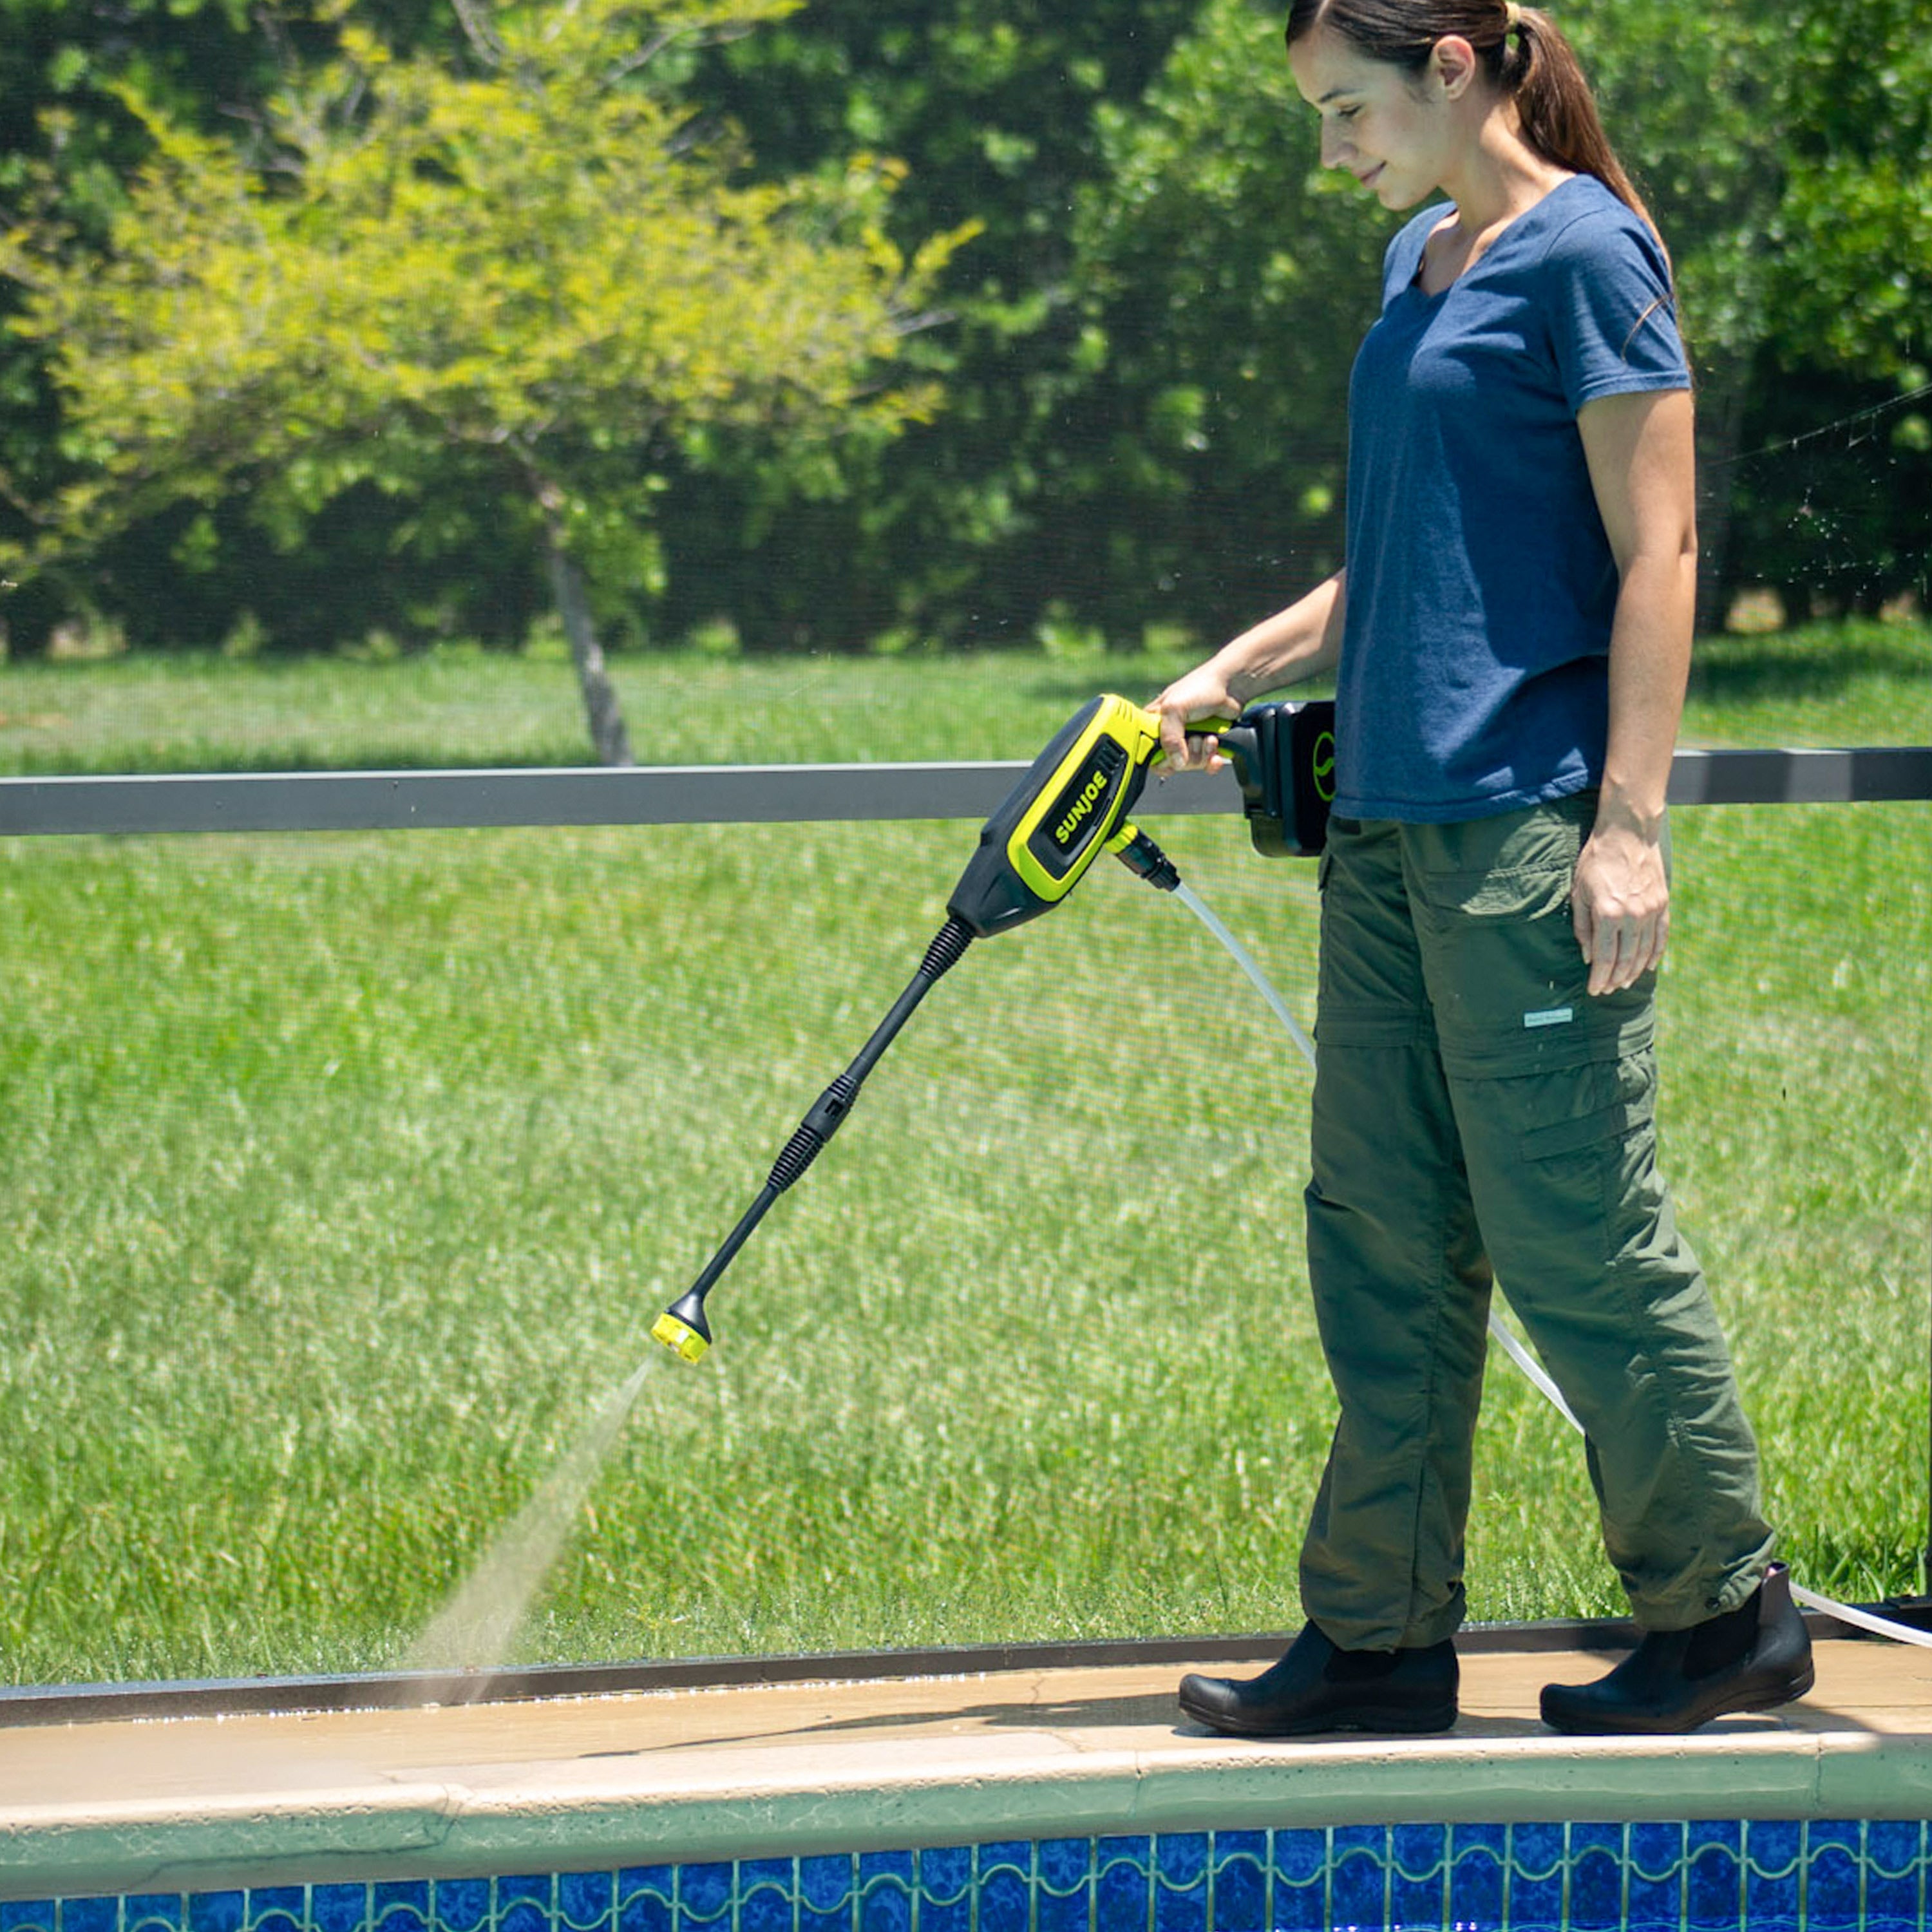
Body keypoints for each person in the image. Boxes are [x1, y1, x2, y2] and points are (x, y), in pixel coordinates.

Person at [1151, 0, 1813, 1736]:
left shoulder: (1592, 256)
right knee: (1379, 1234)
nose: (1334, 149)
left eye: (1349, 108)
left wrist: (1628, 825)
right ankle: (1377, 1640)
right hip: (1383, 823)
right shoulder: (1412, 267)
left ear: (1457, 68)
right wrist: (1242, 666)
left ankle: (1723, 1607)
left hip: (1527, 821)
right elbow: (1408, 558)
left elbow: (1658, 551)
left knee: (1572, 1231)